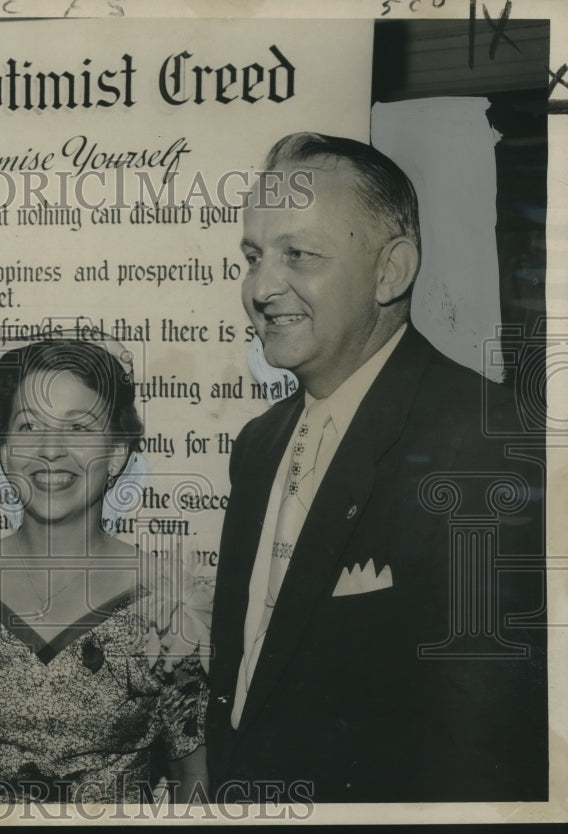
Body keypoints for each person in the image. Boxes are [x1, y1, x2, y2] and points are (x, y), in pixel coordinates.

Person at [207, 133, 547, 803]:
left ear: (391, 271)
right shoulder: (258, 444)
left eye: (298, 255)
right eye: (253, 257)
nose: (261, 288)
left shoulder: (491, 443)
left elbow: (487, 747)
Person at [0, 336, 208, 804]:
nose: (50, 449)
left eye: (79, 428)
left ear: (117, 451)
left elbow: (193, 774)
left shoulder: (166, 600)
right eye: (29, 426)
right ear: (3, 448)